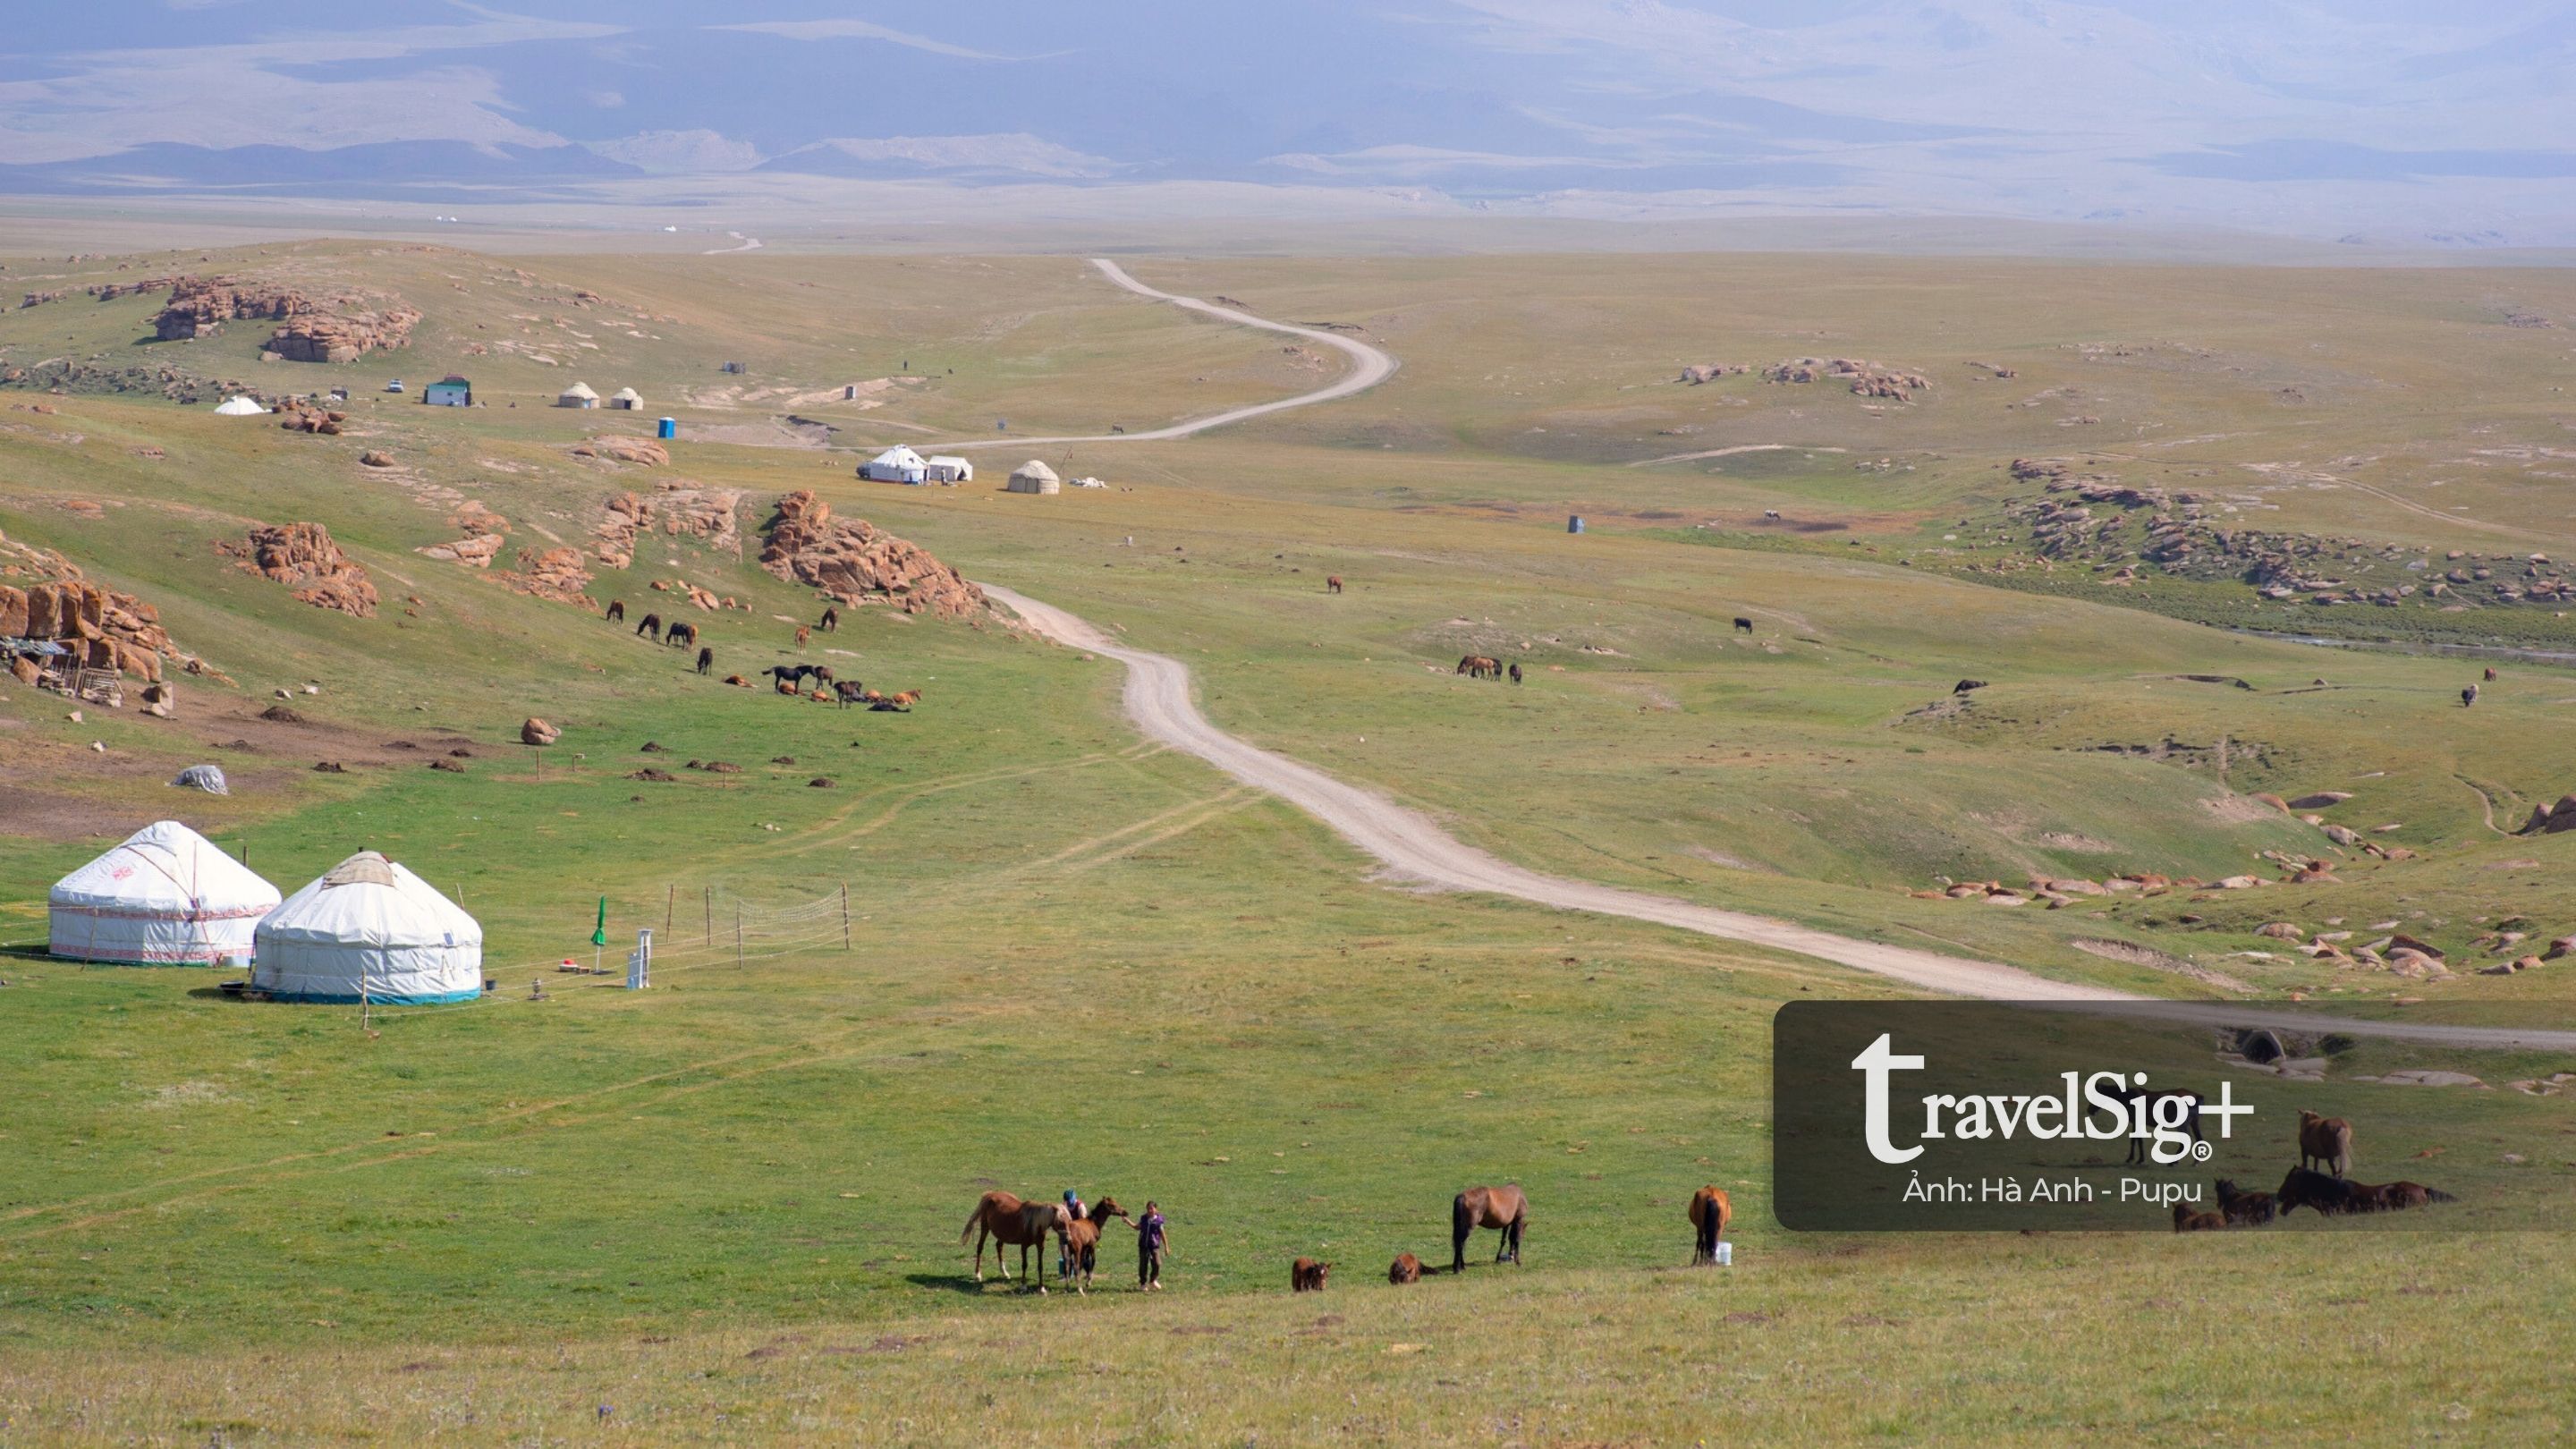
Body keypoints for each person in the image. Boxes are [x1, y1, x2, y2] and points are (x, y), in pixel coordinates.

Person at [1135, 1200, 1167, 1291]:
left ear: (1155, 1209)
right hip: (1144, 1245)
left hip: (1154, 1246)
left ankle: (1153, 1280)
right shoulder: (1144, 1218)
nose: (1150, 1210)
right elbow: (1136, 1227)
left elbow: (1162, 1234)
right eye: (1148, 1209)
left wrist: (1166, 1247)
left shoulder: (1159, 1220)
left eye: (1152, 1208)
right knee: (1143, 1265)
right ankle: (1143, 1283)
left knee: (1157, 1264)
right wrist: (1127, 1221)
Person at [1060, 1190, 1085, 1276]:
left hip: (1078, 1233)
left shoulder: (1080, 1206)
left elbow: (1083, 1221)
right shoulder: (1063, 1207)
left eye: (1070, 1200)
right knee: (1066, 1254)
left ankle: (1083, 1272)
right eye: (1067, 1200)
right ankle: (1067, 1274)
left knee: (1081, 1253)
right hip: (1067, 1232)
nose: (1068, 1202)